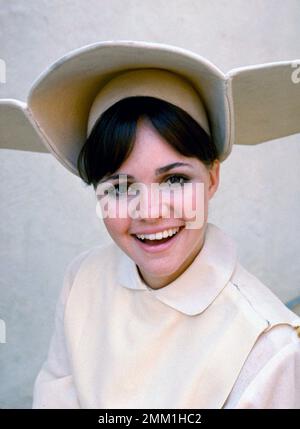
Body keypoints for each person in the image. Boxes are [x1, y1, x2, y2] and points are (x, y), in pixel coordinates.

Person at [1, 41, 299, 408]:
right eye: (121, 187)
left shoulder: (268, 349)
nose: (151, 212)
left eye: (174, 180)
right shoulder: (83, 278)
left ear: (213, 178)